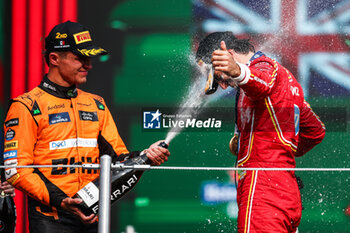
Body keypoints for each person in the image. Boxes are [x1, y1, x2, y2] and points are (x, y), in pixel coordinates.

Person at [3, 21, 170, 233]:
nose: (88, 65)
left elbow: (118, 159)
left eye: (89, 58)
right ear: (54, 58)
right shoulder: (26, 106)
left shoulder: (96, 104)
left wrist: (145, 156)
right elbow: (15, 170)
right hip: (50, 219)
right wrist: (61, 201)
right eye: (79, 58)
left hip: (92, 215)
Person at [196, 31, 325, 233]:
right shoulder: (290, 83)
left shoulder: (263, 67)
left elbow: (261, 83)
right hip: (286, 191)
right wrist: (275, 147)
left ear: (228, 55)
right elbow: (316, 131)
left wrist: (237, 71)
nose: (220, 84)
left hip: (261, 191)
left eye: (215, 72)